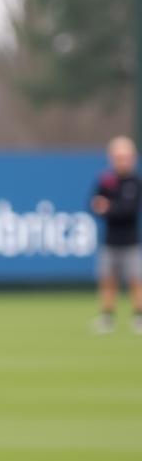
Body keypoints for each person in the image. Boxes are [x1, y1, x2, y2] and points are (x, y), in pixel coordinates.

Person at [91, 135, 142, 334]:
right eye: (118, 157)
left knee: (136, 280)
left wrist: (109, 207)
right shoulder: (106, 180)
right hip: (110, 240)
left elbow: (129, 210)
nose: (122, 161)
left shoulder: (135, 182)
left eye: (126, 157)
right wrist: (105, 207)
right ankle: (107, 317)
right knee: (107, 280)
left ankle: (138, 316)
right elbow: (93, 204)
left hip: (131, 240)